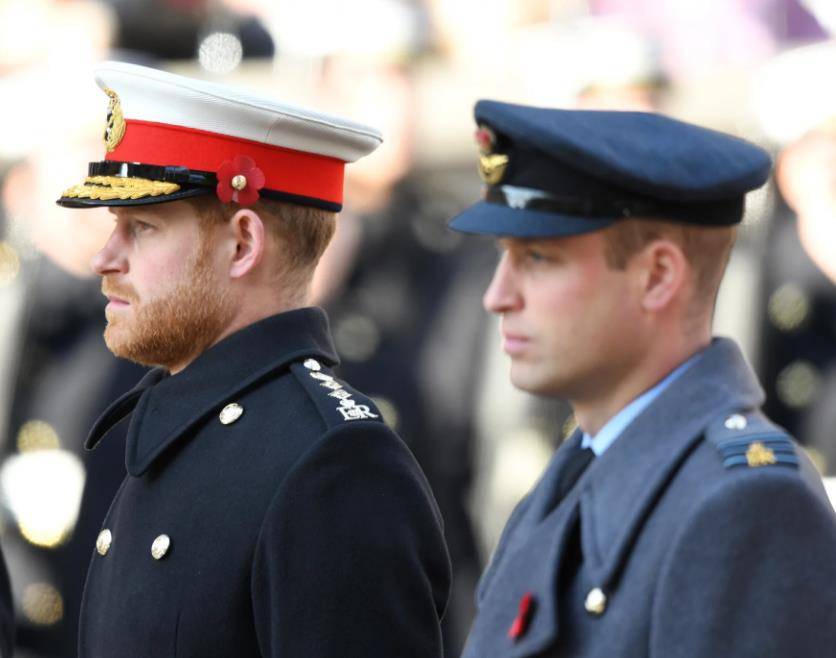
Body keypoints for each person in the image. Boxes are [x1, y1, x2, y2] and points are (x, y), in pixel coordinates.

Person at [55, 61, 450, 658]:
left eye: (141, 227)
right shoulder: (177, 422)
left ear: (242, 244)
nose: (104, 258)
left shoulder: (334, 467)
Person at [448, 100, 836, 657]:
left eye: (537, 258)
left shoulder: (747, 504)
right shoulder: (578, 470)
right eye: (504, 257)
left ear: (656, 276)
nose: (498, 296)